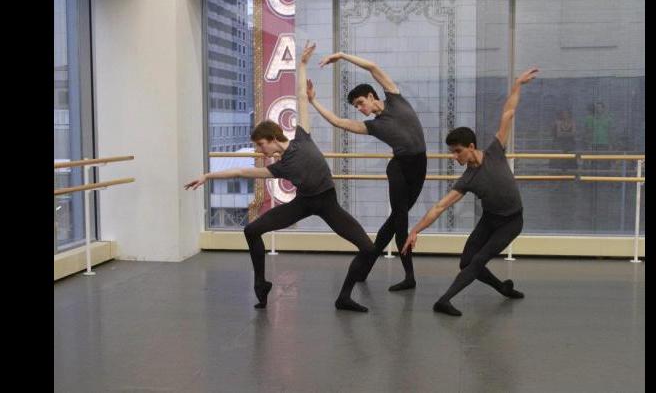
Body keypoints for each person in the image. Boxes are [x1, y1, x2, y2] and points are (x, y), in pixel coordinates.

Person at [185, 41, 374, 312]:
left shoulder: (302, 137)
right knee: (251, 230)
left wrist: (303, 63)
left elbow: (300, 97)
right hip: (303, 203)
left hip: (327, 203)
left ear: (273, 138)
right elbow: (241, 170)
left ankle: (344, 296)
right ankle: (261, 284)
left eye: (262, 145)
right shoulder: (279, 167)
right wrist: (208, 175)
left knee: (367, 248)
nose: (260, 150)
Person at [401, 68, 539, 316]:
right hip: (490, 220)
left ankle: (444, 300)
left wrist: (517, 83)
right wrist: (415, 230)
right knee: (467, 262)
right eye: (452, 152)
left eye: (457, 151)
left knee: (477, 261)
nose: (454, 157)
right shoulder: (467, 179)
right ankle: (503, 288)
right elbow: (440, 207)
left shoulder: (495, 151)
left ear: (471, 147)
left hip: (511, 222)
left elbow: (508, 113)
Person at [307, 51, 427, 291]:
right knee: (400, 221)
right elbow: (338, 122)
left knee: (392, 223)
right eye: (356, 107)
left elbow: (373, 66)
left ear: (372, 96)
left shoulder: (395, 99)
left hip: (419, 166)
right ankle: (409, 276)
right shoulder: (372, 127)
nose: (360, 109)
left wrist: (341, 55)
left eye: (361, 103)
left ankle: (365, 265)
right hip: (399, 169)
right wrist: (313, 102)